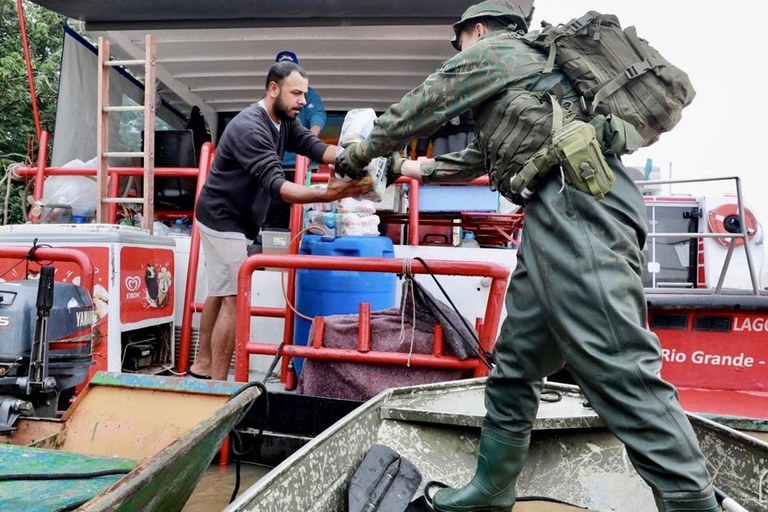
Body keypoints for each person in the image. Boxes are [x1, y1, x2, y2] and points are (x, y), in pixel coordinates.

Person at [334, 1, 719, 511]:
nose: (459, 52)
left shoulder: (494, 52)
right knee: (515, 364)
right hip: (557, 209)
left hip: (581, 205)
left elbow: (420, 106)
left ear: (474, 30)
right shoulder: (531, 75)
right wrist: (409, 167)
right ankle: (492, 490)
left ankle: (691, 502)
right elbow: (478, 157)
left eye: (460, 43)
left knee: (618, 363)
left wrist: (357, 153)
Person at [189, 60, 370, 382]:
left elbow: (313, 147)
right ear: (273, 89)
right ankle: (217, 388)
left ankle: (202, 364)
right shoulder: (250, 127)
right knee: (234, 298)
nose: (303, 101)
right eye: (296, 93)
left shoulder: (284, 120)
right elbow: (280, 187)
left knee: (219, 290)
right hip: (222, 218)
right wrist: (328, 194)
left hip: (237, 218)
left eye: (304, 93)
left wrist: (353, 158)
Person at [263, 51, 328, 229]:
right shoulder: (266, 104)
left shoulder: (309, 96)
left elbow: (318, 118)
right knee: (273, 216)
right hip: (275, 167)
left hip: (302, 167)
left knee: (303, 217)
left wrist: (309, 146)